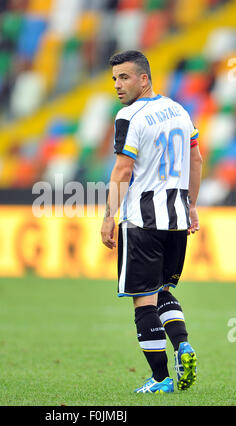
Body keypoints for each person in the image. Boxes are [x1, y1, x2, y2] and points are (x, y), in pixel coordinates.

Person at [101, 50, 202, 394]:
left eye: (124, 77)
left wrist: (108, 216)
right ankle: (183, 345)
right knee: (162, 291)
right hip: (176, 219)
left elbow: (123, 170)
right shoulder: (179, 110)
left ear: (144, 78)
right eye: (114, 78)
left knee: (142, 299)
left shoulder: (129, 116)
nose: (118, 85)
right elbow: (196, 158)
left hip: (141, 221)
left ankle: (161, 380)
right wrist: (191, 205)